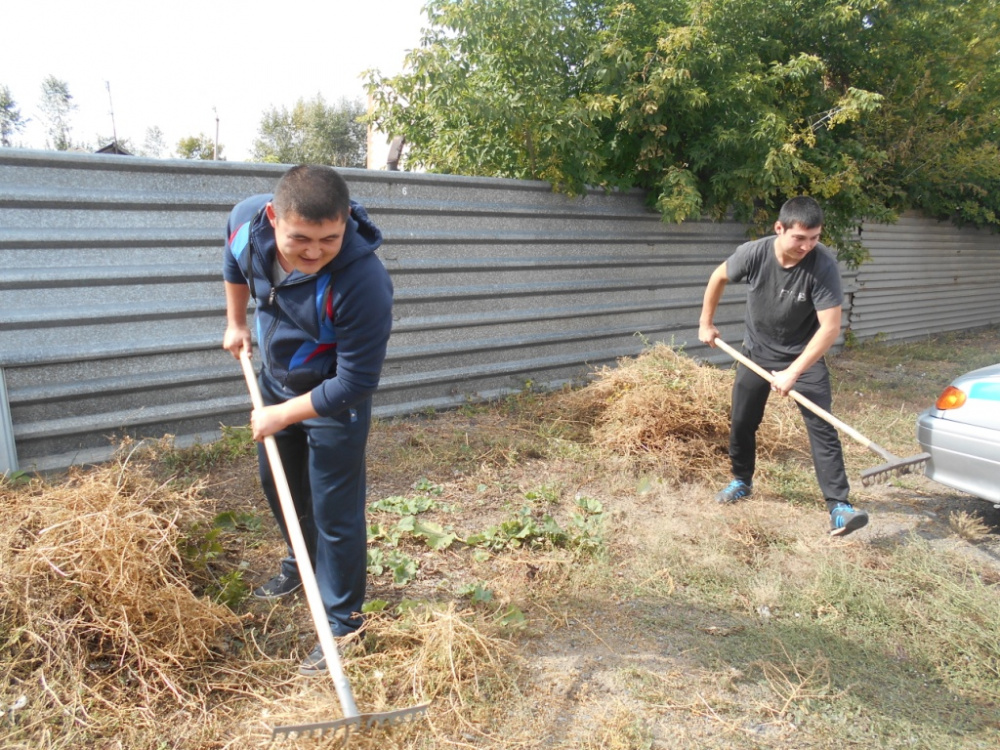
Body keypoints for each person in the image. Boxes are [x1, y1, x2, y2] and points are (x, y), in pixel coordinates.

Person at [222, 165, 393, 673]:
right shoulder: (246, 222)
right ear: (273, 218)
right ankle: (302, 563)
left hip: (333, 399)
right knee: (278, 485)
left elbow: (355, 382)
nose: (315, 252)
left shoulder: (363, 281)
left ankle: (344, 624)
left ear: (345, 224)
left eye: (329, 239)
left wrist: (280, 414)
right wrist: (235, 322)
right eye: (300, 238)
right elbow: (233, 264)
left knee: (334, 511)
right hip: (275, 380)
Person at [698, 196, 868, 537]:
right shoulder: (754, 254)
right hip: (756, 352)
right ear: (779, 228)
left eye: (814, 238)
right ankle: (741, 481)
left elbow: (830, 328)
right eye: (799, 238)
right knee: (743, 420)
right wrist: (706, 322)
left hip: (803, 356)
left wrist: (794, 371)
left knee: (822, 426)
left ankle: (839, 507)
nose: (807, 246)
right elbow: (718, 277)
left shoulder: (823, 265)